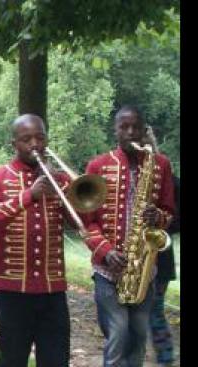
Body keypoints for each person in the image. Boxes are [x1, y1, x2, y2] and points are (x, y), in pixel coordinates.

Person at [83, 106, 175, 367]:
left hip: (144, 269)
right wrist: (105, 251)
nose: (130, 132)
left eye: (136, 126)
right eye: (124, 127)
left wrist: (156, 216)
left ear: (144, 128)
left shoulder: (161, 164)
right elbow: (86, 223)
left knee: (138, 337)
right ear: (115, 130)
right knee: (118, 334)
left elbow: (169, 212)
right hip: (107, 270)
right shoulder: (98, 165)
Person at [0, 114, 73, 367]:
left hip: (52, 289)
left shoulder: (61, 180)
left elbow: (81, 222)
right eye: (26, 139)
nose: (34, 144)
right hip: (12, 291)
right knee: (12, 360)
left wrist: (66, 190)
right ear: (14, 144)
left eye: (40, 138)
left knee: (56, 360)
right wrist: (28, 195)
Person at [149, 174, 178, 366]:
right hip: (126, 259)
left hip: (159, 258)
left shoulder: (171, 181)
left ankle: (165, 359)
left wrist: (159, 219)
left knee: (154, 311)